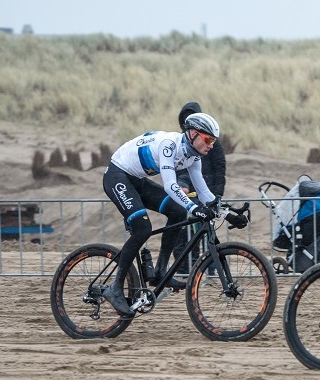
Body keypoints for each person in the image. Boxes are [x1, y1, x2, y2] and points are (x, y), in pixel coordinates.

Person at [101, 113, 241, 317]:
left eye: (213, 141)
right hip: (117, 175)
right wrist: (194, 208)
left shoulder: (193, 157)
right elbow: (170, 185)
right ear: (193, 134)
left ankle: (160, 272)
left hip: (136, 180)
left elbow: (204, 193)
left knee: (177, 212)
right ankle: (115, 288)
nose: (211, 145)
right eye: (208, 139)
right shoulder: (169, 145)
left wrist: (228, 214)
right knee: (142, 229)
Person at [173, 102, 227, 274]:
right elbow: (180, 168)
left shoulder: (211, 141)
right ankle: (188, 271)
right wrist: (182, 185)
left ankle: (212, 270)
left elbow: (220, 166)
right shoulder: (180, 142)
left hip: (207, 192)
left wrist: (217, 195)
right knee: (187, 236)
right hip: (188, 194)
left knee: (209, 235)